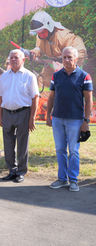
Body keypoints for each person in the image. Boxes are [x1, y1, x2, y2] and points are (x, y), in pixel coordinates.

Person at [46, 47, 93, 192]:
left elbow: (89, 100)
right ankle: (62, 179)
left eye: (69, 57)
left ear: (76, 59)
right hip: (58, 119)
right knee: (60, 149)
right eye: (64, 57)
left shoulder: (84, 76)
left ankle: (73, 180)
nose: (66, 60)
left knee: (73, 150)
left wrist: (86, 121)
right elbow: (51, 97)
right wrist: (48, 116)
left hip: (75, 120)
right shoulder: (56, 76)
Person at [0, 49, 39, 183]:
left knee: (22, 143)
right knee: (8, 143)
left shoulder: (29, 76)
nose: (13, 60)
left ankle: (21, 171)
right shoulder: (4, 76)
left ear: (23, 60)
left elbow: (35, 98)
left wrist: (32, 118)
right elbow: (0, 96)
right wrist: (0, 115)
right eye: (11, 57)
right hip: (7, 113)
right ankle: (12, 170)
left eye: (16, 58)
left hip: (23, 113)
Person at [29, 11, 87, 89]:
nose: (41, 36)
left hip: (70, 65)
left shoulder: (64, 36)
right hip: (52, 63)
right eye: (38, 33)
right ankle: (45, 100)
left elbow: (81, 52)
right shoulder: (40, 36)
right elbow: (40, 48)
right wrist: (34, 52)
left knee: (69, 87)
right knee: (42, 81)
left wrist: (65, 65)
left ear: (49, 27)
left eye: (43, 32)